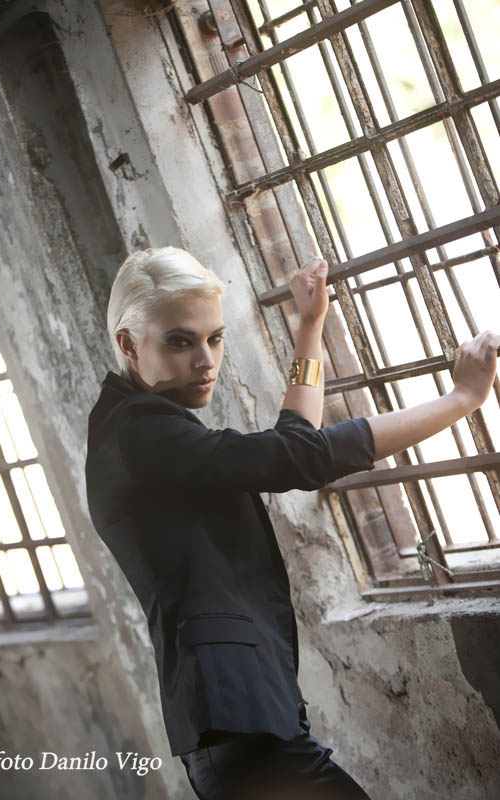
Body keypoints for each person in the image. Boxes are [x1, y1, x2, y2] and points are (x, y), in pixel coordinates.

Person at [85, 246, 499, 800]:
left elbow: (292, 446)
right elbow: (302, 458)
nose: (207, 361)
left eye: (216, 338)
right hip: (241, 732)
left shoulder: (136, 424)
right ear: (128, 343)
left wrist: (309, 326)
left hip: (248, 728)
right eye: (180, 341)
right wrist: (462, 399)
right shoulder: (138, 431)